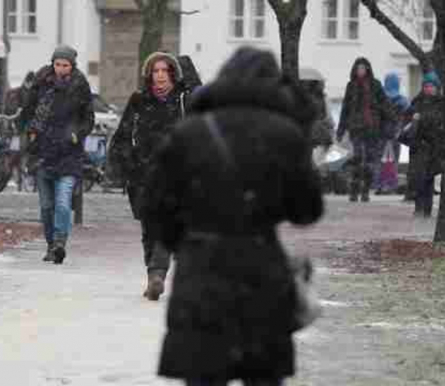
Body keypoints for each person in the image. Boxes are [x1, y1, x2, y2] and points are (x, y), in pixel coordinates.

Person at [142, 47, 324, 386]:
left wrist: (183, 241)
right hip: (261, 271)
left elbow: (155, 204)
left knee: (204, 371)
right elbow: (307, 210)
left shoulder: (189, 133)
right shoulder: (284, 134)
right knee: (262, 373)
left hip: (201, 270)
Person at [108, 51, 198, 301]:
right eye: (155, 71)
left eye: (164, 71)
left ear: (173, 74)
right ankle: (153, 275)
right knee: (149, 228)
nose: (160, 76)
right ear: (149, 74)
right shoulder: (139, 100)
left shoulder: (184, 100)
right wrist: (123, 164)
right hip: (142, 175)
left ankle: (157, 273)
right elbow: (124, 135)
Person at [20, 45, 94, 264]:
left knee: (62, 203)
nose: (61, 69)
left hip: (69, 153)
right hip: (43, 151)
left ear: (72, 66)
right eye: (57, 64)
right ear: (52, 63)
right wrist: (30, 132)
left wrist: (75, 135)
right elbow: (28, 111)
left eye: (65, 65)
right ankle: (51, 244)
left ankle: (60, 242)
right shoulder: (41, 83)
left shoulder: (80, 86)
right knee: (46, 206)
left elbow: (88, 118)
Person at [336, 57, 396, 202]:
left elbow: (385, 104)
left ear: (368, 69)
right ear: (355, 70)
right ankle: (354, 189)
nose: (361, 71)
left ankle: (365, 190)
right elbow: (345, 108)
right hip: (356, 128)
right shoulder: (351, 86)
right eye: (359, 68)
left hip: (372, 128)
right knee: (357, 158)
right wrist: (341, 129)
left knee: (370, 160)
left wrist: (391, 120)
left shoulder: (375, 85)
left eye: (363, 68)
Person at [400, 71, 444, 218]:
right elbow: (405, 123)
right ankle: (419, 208)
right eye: (426, 86)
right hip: (418, 146)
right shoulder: (416, 103)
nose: (429, 89)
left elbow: (444, 125)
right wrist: (414, 120)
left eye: (431, 86)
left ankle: (427, 209)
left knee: (429, 179)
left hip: (434, 146)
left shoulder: (441, 104)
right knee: (418, 178)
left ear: (437, 88)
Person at [376, 72, 411, 195]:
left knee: (381, 160)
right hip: (396, 134)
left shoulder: (379, 99)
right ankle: (390, 185)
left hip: (380, 135)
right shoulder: (403, 101)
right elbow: (409, 117)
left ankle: (380, 184)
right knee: (392, 160)